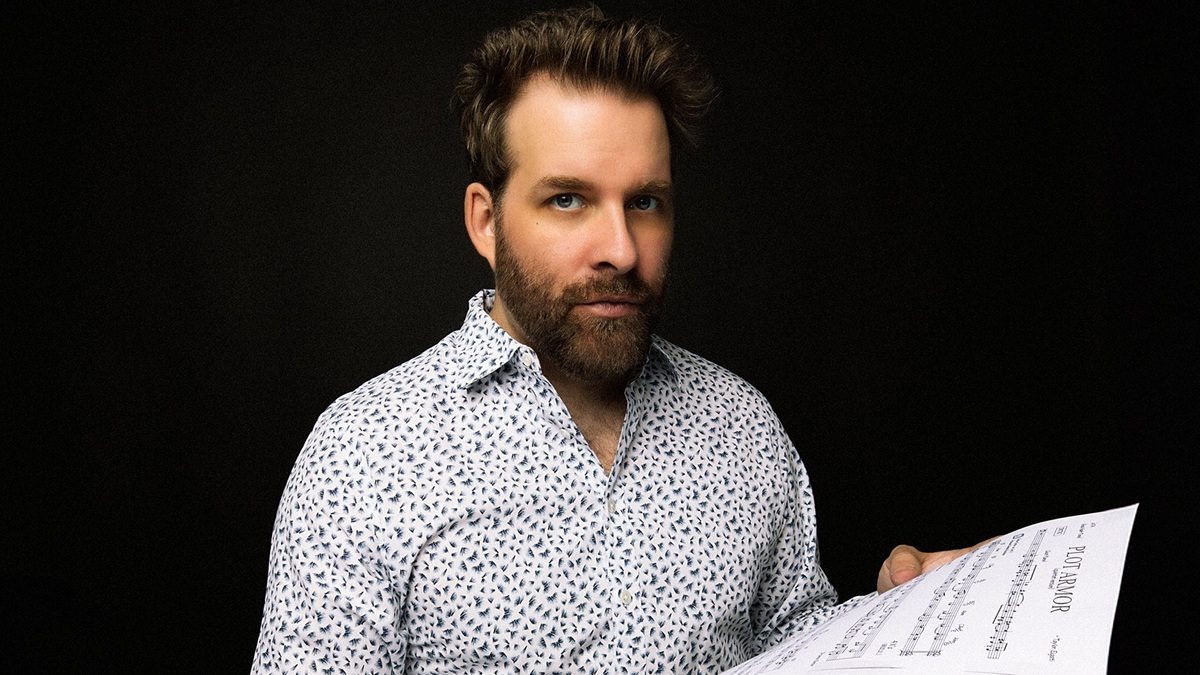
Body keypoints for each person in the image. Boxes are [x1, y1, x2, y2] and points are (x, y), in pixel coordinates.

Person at [252, 7, 976, 673]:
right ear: (486, 221)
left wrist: (902, 609)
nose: (622, 250)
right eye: (568, 199)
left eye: (645, 202)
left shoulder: (744, 425)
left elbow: (802, 649)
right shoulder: (362, 457)